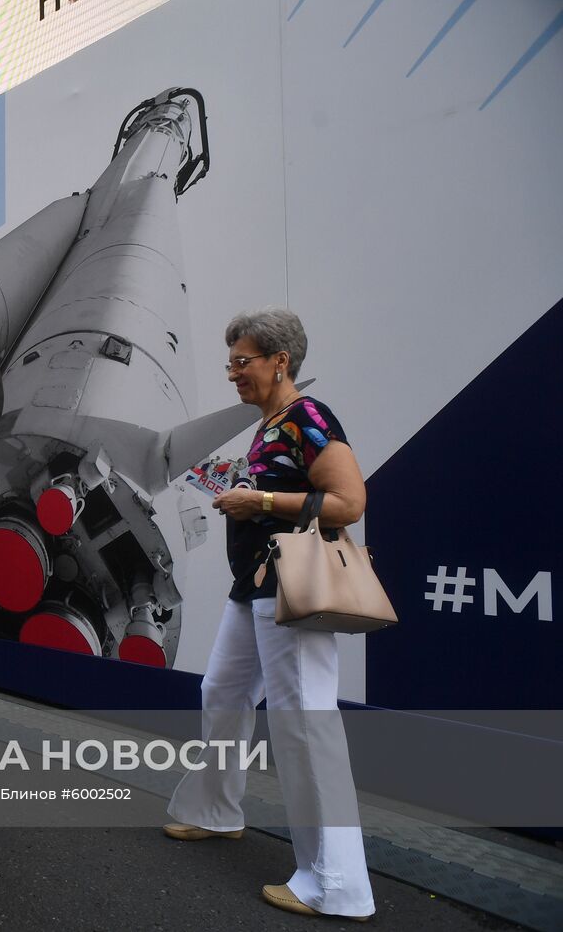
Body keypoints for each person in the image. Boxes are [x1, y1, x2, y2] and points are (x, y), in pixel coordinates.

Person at [164, 307, 375, 921]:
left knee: (305, 722)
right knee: (223, 692)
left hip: (292, 586)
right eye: (229, 362)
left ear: (280, 360)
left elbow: (348, 502)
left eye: (242, 361)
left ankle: (336, 884)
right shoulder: (268, 426)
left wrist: (257, 498)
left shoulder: (309, 416)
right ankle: (215, 809)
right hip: (252, 585)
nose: (233, 374)